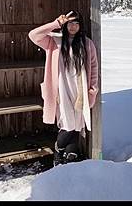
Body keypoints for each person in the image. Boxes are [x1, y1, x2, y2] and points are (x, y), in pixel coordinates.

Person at [28, 11, 99, 166]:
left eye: (76, 23)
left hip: (80, 92)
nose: (73, 27)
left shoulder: (87, 43)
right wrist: (56, 24)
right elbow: (33, 35)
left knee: (77, 126)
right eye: (70, 23)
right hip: (62, 90)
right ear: (64, 25)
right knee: (68, 124)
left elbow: (93, 68)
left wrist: (92, 90)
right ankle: (59, 149)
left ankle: (69, 156)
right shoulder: (54, 41)